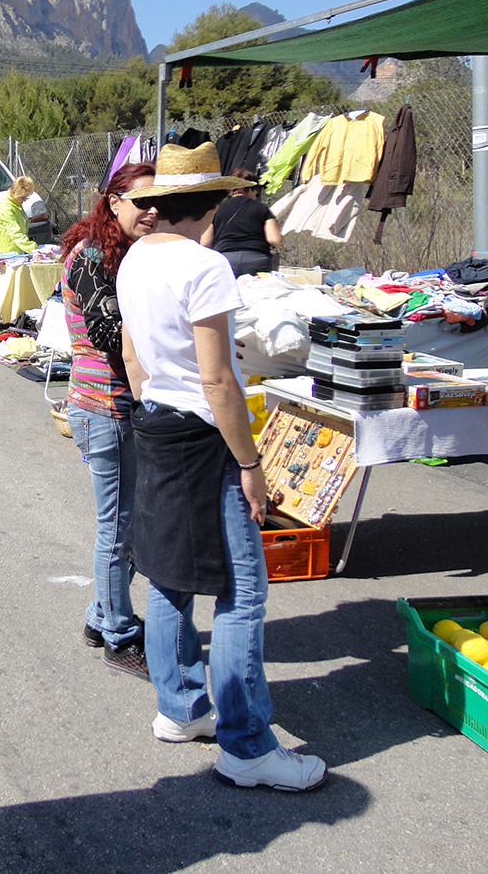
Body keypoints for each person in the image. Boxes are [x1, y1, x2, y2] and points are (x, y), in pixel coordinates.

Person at [117, 143, 327, 792]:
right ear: (213, 202)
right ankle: (247, 745)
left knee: (170, 574)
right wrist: (250, 461)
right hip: (204, 436)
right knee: (243, 590)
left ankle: (180, 708)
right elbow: (217, 380)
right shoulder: (204, 265)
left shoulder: (134, 257)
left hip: (158, 422)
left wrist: (158, 397)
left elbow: (132, 353)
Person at [57, 163, 157, 680]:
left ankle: (101, 616)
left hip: (117, 406)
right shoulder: (93, 256)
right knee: (119, 530)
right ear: (114, 202)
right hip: (105, 408)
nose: (153, 211)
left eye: (159, 201)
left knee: (129, 526)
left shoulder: (125, 252)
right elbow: (110, 332)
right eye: (142, 201)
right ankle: (119, 636)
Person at [201, 168, 283, 277]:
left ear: (231, 189)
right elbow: (275, 240)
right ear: (252, 189)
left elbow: (205, 242)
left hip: (226, 259)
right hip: (257, 259)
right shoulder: (262, 208)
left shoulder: (217, 210)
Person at [0, 175, 39, 255]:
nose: (24, 200)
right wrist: (34, 249)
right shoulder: (6, 208)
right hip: (6, 251)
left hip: (17, 247)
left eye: (26, 197)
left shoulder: (15, 203)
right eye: (22, 198)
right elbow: (15, 233)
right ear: (13, 192)